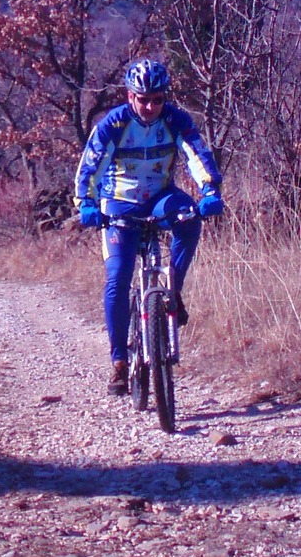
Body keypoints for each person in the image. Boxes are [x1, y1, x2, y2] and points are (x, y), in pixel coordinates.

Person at [72, 59, 224, 395]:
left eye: (157, 99)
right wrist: (86, 202)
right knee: (118, 277)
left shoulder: (175, 120)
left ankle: (172, 291)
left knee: (189, 220)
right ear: (130, 96)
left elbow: (197, 155)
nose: (151, 107)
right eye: (143, 99)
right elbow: (91, 165)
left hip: (160, 196)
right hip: (119, 201)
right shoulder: (113, 124)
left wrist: (210, 190)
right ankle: (119, 362)